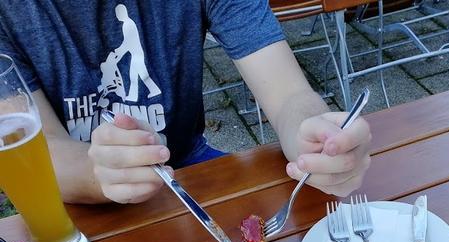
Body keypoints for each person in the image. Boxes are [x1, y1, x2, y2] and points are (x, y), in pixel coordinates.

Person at [0, 1, 371, 205]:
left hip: (189, 169)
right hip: (76, 210)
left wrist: (314, 138)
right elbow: (30, 153)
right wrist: (99, 172)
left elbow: (289, 95)